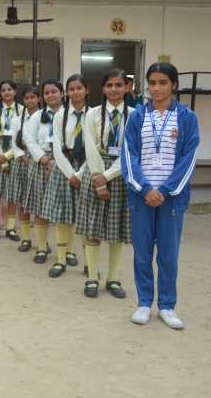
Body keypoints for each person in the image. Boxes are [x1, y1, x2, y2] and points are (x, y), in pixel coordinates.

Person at [123, 62, 199, 329]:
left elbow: (189, 159)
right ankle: (144, 303)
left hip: (171, 200)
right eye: (152, 83)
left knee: (168, 255)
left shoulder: (187, 118)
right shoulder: (137, 117)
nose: (156, 88)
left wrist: (165, 190)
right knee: (142, 253)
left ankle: (167, 306)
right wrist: (145, 189)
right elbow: (129, 156)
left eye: (163, 82)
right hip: (142, 197)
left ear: (174, 85)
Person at [75, 69, 134, 299]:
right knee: (93, 227)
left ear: (126, 87)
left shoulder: (135, 115)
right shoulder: (92, 114)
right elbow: (90, 146)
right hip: (95, 172)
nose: (114, 89)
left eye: (119, 85)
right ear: (102, 88)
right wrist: (99, 179)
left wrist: (108, 175)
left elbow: (131, 151)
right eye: (109, 85)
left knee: (115, 229)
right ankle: (92, 277)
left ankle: (113, 278)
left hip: (121, 174)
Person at [43, 75, 88, 278]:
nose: (75, 92)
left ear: (86, 90)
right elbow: (57, 147)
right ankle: (61, 260)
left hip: (87, 165)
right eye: (71, 89)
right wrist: (71, 174)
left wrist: (81, 173)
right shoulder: (60, 115)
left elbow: (96, 147)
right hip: (64, 167)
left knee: (87, 217)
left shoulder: (94, 114)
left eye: (79, 88)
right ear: (66, 93)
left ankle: (89, 263)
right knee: (62, 216)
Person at [24, 79, 65, 264]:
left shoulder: (69, 114)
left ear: (62, 93)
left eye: (54, 91)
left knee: (65, 210)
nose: (51, 95)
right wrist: (44, 159)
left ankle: (67, 252)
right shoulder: (37, 116)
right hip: (42, 163)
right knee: (40, 209)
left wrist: (59, 161)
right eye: (47, 93)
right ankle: (41, 248)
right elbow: (29, 140)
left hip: (65, 163)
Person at [7, 87, 40, 252]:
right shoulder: (16, 120)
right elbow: (14, 142)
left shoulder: (44, 117)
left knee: (39, 202)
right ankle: (26, 238)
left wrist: (37, 156)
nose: (30, 100)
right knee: (22, 201)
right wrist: (21, 155)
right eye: (26, 98)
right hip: (22, 161)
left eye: (33, 97)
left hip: (39, 159)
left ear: (38, 99)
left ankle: (42, 241)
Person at [0, 80, 20, 240]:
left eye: (9, 89)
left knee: (13, 192)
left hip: (15, 150)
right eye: (3, 90)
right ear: (0, 94)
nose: (6, 92)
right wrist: (0, 156)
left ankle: (11, 228)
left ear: (15, 91)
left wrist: (8, 156)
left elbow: (23, 135)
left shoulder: (22, 110)